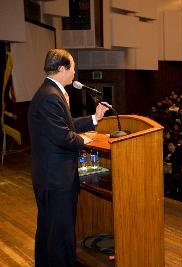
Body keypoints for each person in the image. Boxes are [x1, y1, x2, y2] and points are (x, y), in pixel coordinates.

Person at [28, 49, 110, 267]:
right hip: (56, 179)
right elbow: (64, 136)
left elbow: (65, 124)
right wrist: (87, 140)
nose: (75, 72)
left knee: (50, 228)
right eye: (73, 67)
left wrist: (94, 118)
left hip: (51, 177)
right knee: (59, 233)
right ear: (62, 69)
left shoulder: (50, 93)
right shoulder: (50, 97)